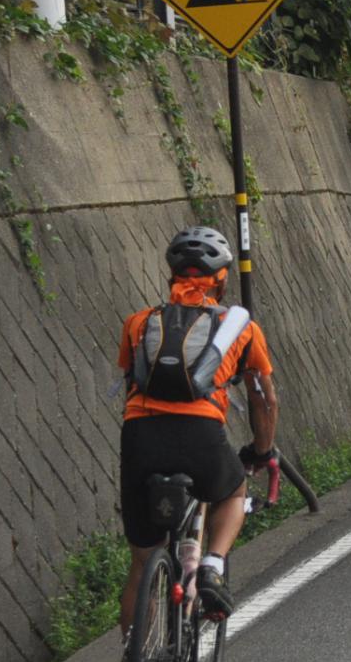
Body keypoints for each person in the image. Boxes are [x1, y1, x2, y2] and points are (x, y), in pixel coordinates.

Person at [116, 226, 277, 638]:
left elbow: (131, 382)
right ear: (221, 280)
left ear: (172, 275)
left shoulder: (139, 323)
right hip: (201, 436)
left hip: (140, 438)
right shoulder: (240, 327)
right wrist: (262, 450)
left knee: (142, 561)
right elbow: (264, 398)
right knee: (233, 491)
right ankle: (212, 564)